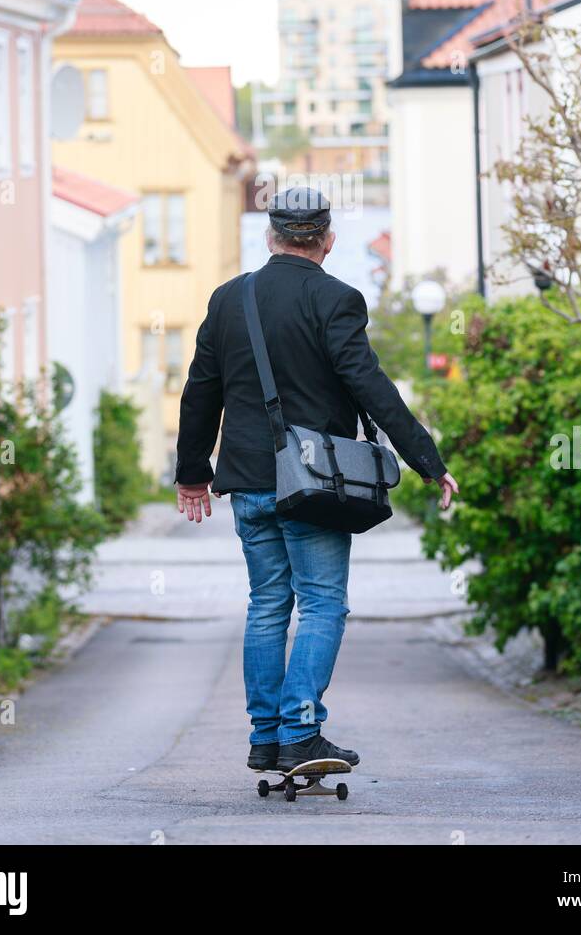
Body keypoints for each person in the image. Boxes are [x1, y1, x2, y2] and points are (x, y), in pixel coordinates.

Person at [174, 187, 457, 774]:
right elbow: (370, 387)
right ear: (328, 241)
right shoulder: (338, 300)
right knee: (323, 603)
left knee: (268, 604)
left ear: (270, 238)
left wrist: (193, 475)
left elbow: (200, 390)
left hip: (249, 482)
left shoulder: (229, 299)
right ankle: (300, 730)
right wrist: (426, 461)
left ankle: (265, 736)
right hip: (313, 482)